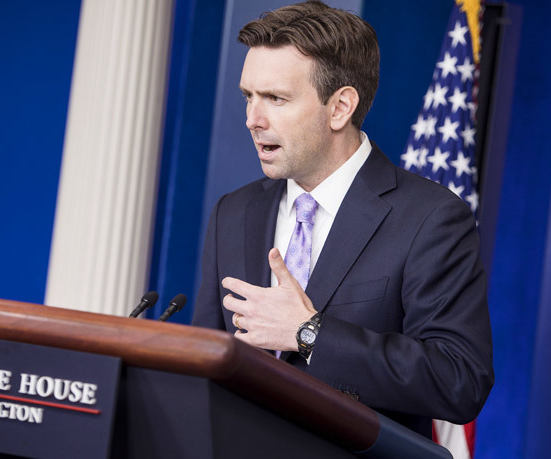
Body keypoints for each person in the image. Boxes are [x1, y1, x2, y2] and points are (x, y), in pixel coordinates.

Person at [191, 0, 494, 438]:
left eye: (275, 98)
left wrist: (308, 332)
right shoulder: (233, 212)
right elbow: (207, 358)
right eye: (248, 97)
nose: (252, 119)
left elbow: (459, 380)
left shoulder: (430, 218)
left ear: (340, 107)